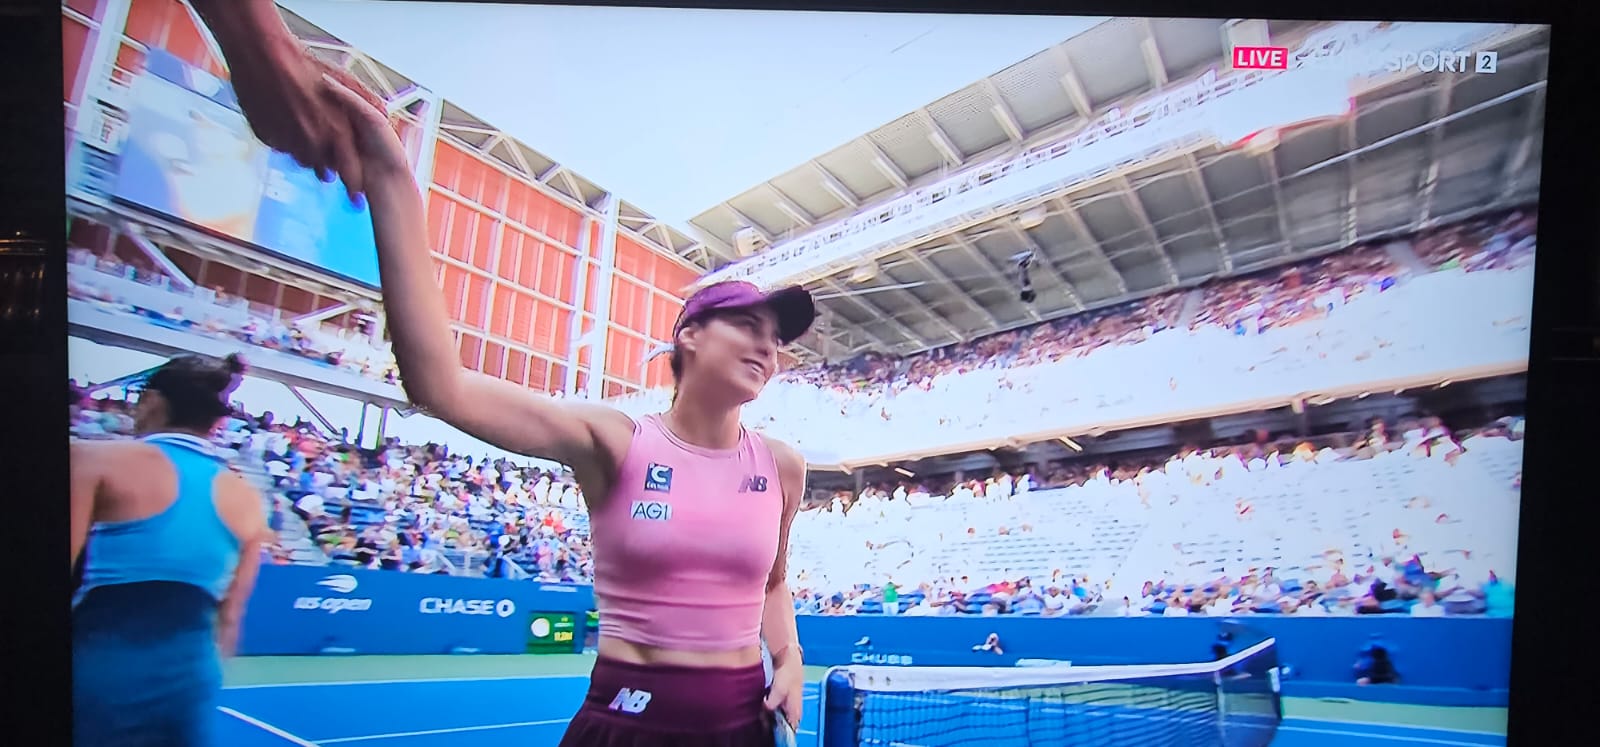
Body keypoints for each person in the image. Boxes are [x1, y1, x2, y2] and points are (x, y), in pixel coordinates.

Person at [318, 75, 812, 744]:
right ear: (689, 336)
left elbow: (774, 582)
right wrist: (389, 176)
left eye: (777, 337)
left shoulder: (781, 465)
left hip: (743, 726)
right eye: (748, 324)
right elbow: (439, 385)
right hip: (627, 722)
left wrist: (788, 656)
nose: (768, 345)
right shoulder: (615, 441)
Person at [71, 353, 272, 747]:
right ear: (215, 421)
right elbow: (229, 622)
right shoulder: (249, 499)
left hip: (100, 668)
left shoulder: (91, 459)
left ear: (152, 402)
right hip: (191, 680)